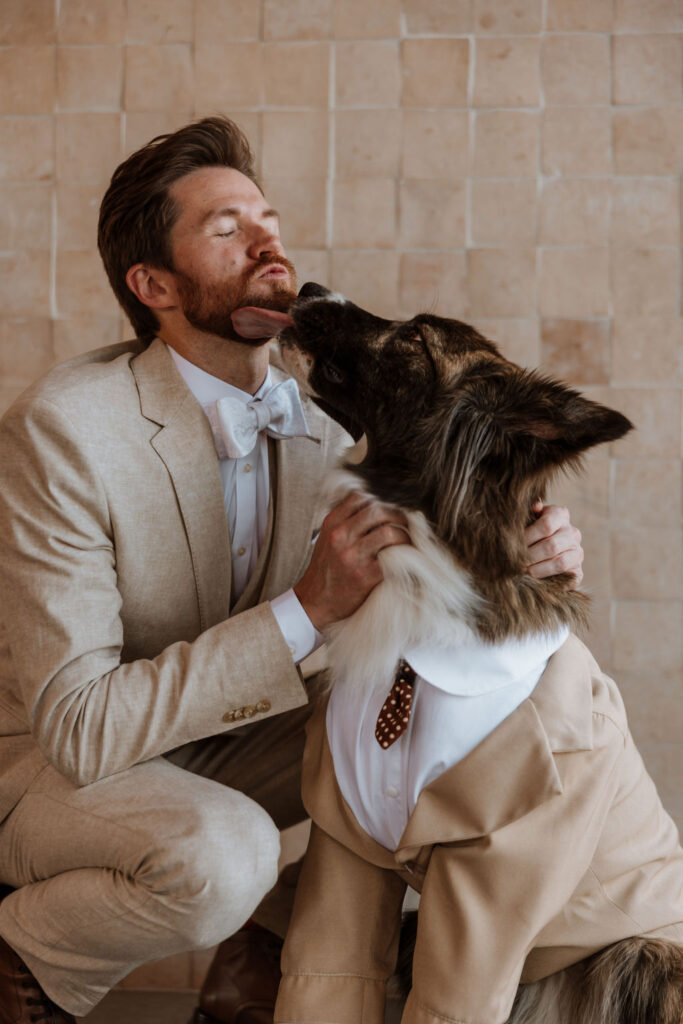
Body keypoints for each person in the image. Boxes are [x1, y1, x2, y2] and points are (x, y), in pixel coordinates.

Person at [0, 117, 584, 1024]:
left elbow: (439, 586)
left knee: (442, 723)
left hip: (223, 733)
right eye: (226, 229)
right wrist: (308, 605)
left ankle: (255, 978)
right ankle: (27, 953)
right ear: (152, 284)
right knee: (222, 856)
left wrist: (534, 553)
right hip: (53, 764)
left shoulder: (328, 420)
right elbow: (77, 728)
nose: (269, 243)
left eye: (267, 218)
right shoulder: (64, 431)